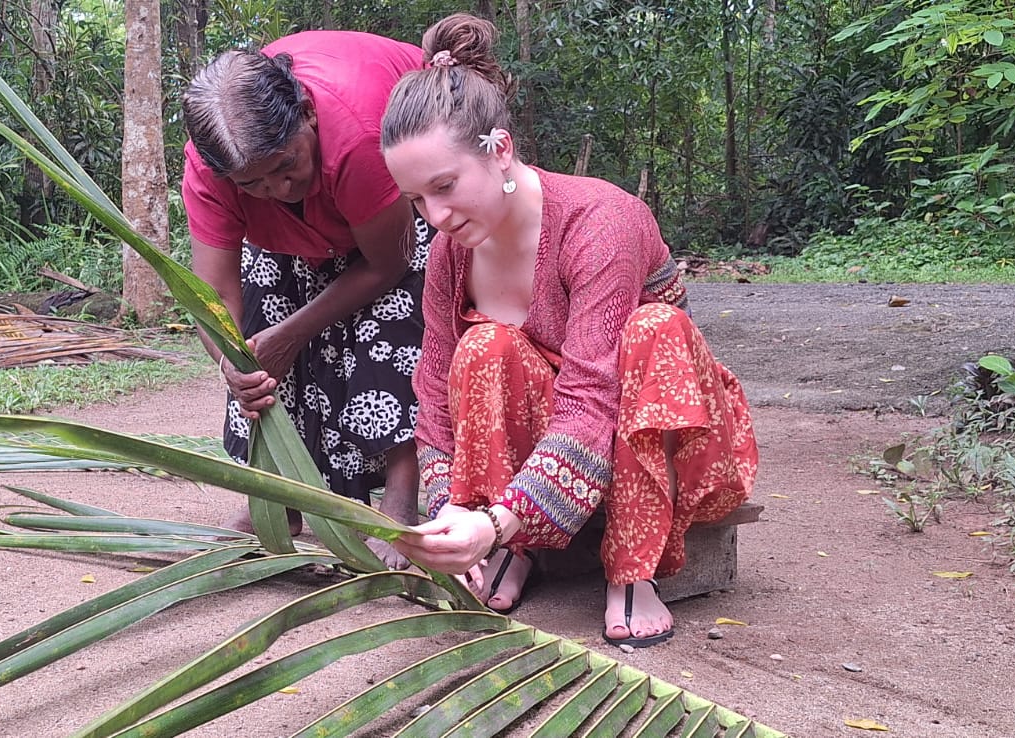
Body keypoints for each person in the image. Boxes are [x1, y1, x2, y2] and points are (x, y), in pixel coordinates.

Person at [381, 14, 759, 647]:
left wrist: (498, 520)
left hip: (657, 423)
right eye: (417, 199)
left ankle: (633, 568)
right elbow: (435, 388)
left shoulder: (599, 223)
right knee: (482, 345)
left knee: (652, 329)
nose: (435, 216)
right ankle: (516, 546)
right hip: (559, 441)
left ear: (500, 150)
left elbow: (592, 399)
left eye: (444, 186)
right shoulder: (452, 250)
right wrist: (453, 507)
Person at [180, 30, 434, 568]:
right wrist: (235, 365)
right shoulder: (212, 168)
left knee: (390, 316)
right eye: (254, 184)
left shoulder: (357, 134)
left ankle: (400, 494)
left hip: (391, 228)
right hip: (293, 235)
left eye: (285, 165)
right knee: (256, 329)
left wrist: (295, 333)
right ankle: (280, 494)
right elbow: (216, 293)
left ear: (306, 117)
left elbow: (390, 262)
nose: (278, 188)